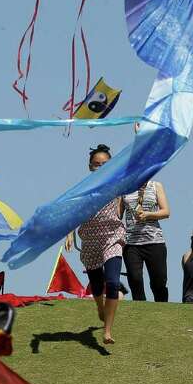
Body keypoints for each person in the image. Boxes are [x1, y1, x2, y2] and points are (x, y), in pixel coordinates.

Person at [65, 144, 125, 344]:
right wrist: (69, 234)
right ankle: (100, 306)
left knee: (113, 283)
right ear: (90, 166)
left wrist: (138, 135)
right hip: (90, 241)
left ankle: (107, 331)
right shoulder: (83, 188)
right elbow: (72, 213)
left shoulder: (118, 183)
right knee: (97, 284)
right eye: (96, 164)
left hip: (112, 238)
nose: (100, 167)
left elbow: (136, 164)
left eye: (105, 164)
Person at [121, 174, 170, 302]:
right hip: (131, 243)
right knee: (135, 278)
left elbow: (166, 212)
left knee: (158, 282)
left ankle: (162, 310)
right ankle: (140, 308)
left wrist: (148, 214)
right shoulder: (125, 189)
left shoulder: (155, 186)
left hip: (154, 241)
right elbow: (117, 215)